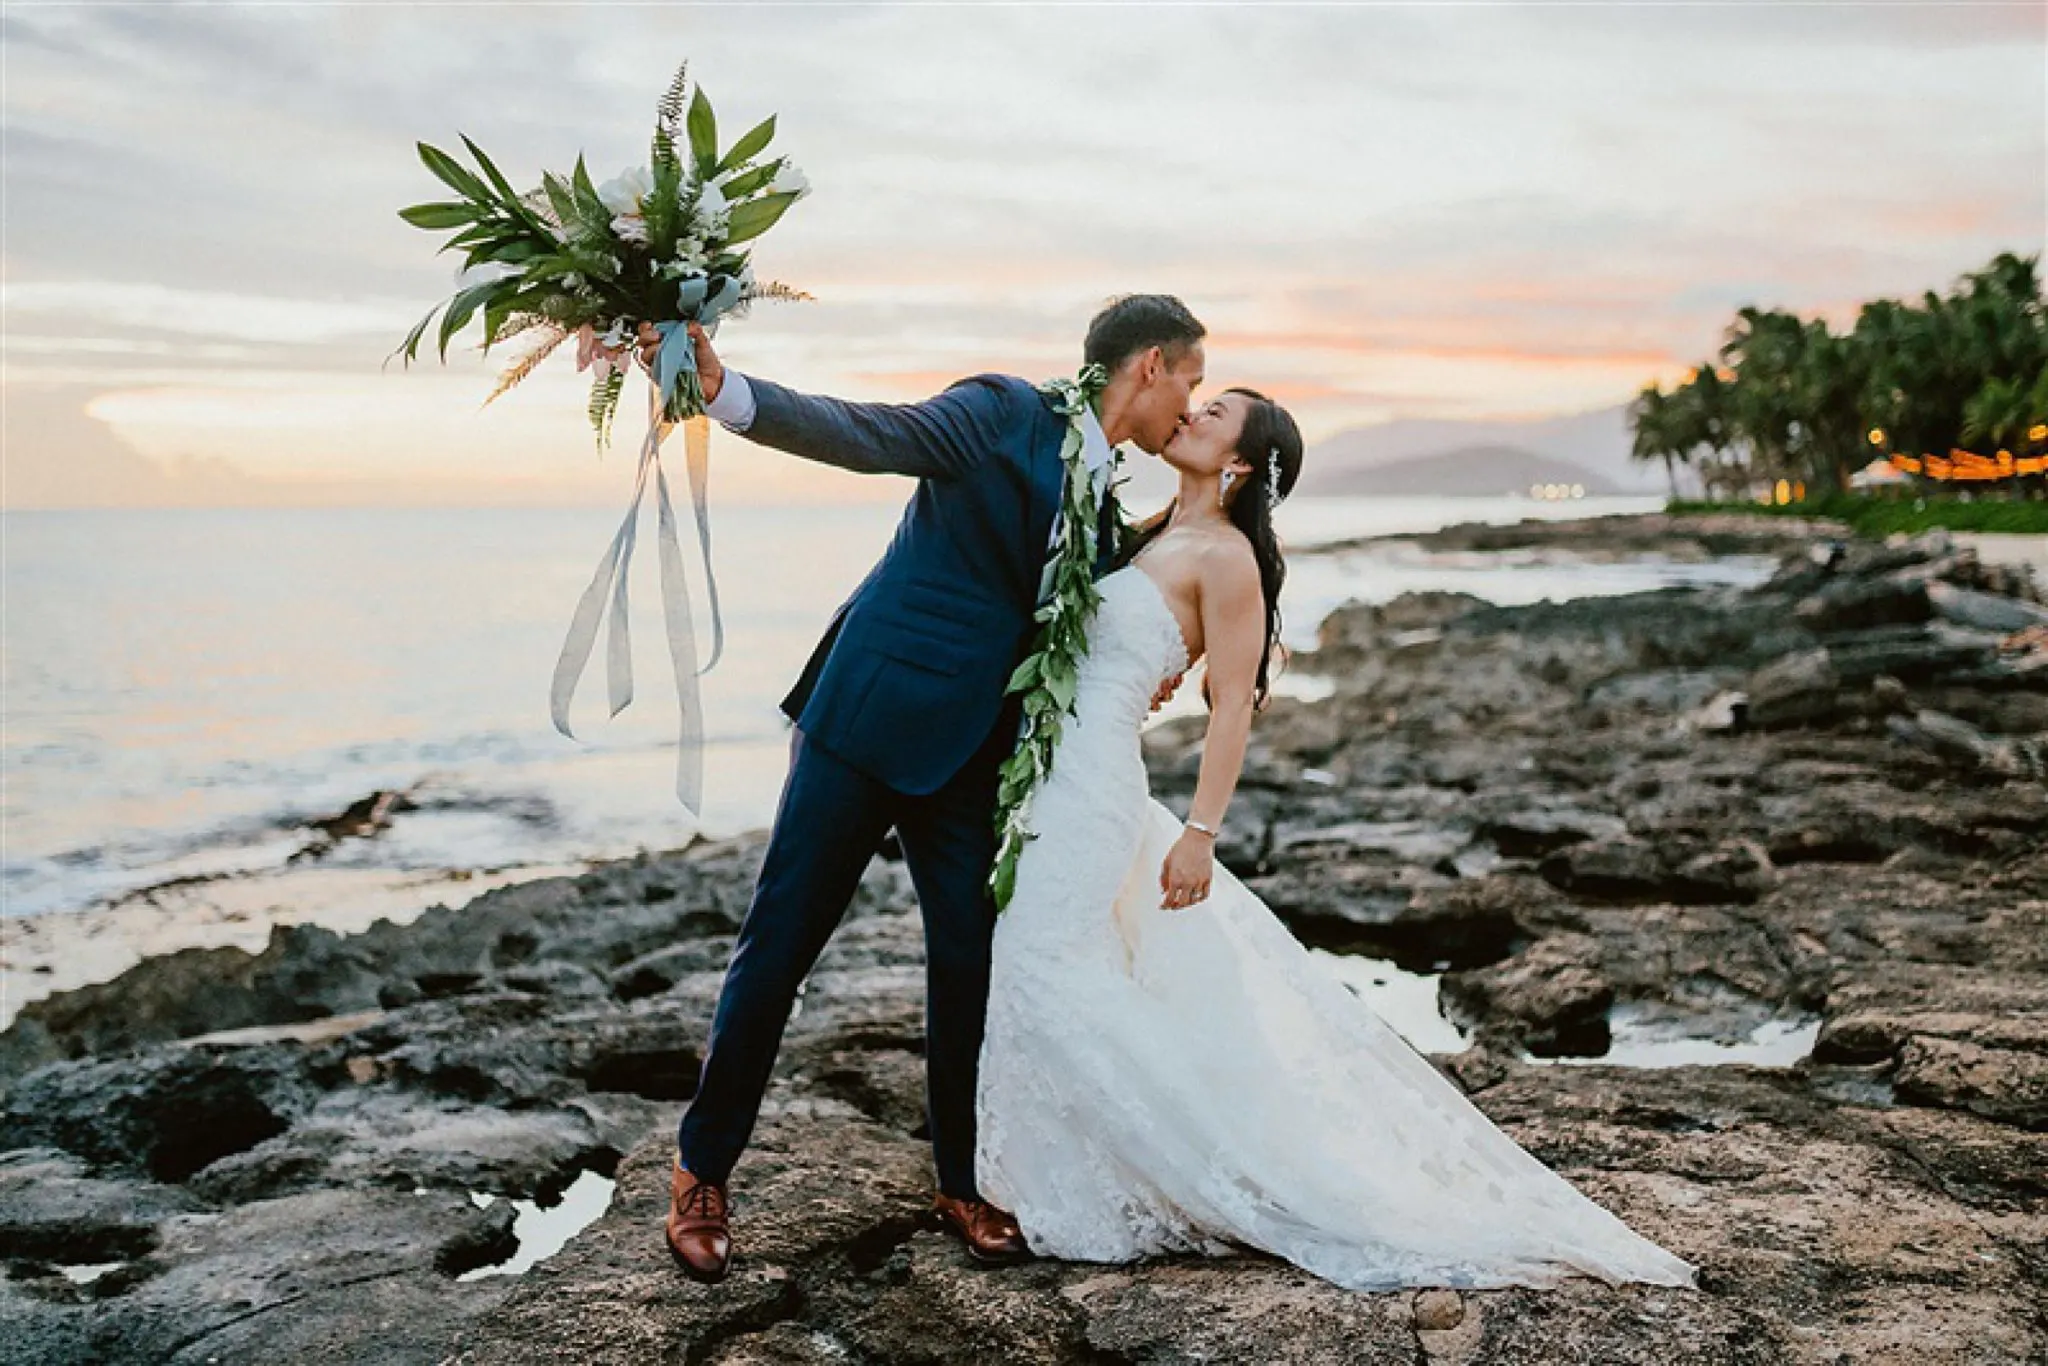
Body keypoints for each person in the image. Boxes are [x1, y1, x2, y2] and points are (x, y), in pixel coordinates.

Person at [972, 387, 1701, 1292]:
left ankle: (1111, 1181)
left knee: (1043, 965)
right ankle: (1071, 1170)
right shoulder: (1153, 532)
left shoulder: (1229, 559)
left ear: (1239, 464)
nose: (1192, 414)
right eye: (1198, 402)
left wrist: (1201, 833)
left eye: (1214, 414)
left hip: (1100, 791)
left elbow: (1234, 705)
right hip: (1058, 780)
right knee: (1048, 964)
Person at [644, 296, 1206, 1282]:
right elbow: (872, 435)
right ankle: (700, 1173)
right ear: (1150, 364)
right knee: (778, 947)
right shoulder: (1000, 412)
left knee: (973, 956)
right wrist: (723, 392)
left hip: (969, 757)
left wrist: (1207, 519)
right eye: (1190, 383)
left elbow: (1104, 586)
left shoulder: (1100, 494)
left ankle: (961, 1178)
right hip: (865, 722)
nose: (1188, 407)